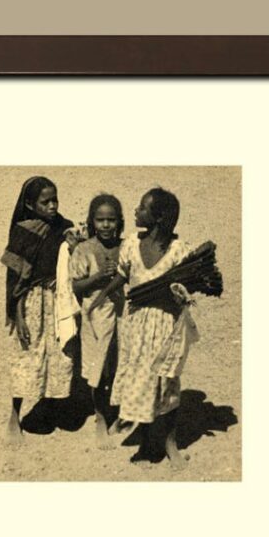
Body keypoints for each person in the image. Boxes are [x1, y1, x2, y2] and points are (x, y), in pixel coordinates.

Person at [89, 188, 192, 467]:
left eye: (142, 207)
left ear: (158, 217)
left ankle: (170, 444)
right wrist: (102, 296)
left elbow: (185, 291)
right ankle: (146, 444)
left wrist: (175, 296)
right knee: (140, 383)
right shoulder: (132, 244)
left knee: (166, 384)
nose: (135, 211)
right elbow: (123, 275)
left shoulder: (180, 251)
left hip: (166, 327)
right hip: (136, 326)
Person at [1, 176, 75, 443]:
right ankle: (14, 416)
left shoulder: (63, 227)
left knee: (58, 355)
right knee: (27, 356)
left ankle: (49, 407)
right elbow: (15, 280)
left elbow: (74, 256)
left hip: (58, 301)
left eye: (55, 200)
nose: (52, 206)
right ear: (30, 205)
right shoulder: (23, 232)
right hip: (32, 302)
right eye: (46, 202)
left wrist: (73, 243)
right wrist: (18, 315)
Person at [69, 194, 125, 448]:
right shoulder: (85, 249)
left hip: (123, 314)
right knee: (99, 367)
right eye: (100, 220)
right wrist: (99, 277)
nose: (105, 225)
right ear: (92, 221)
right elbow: (76, 286)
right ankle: (100, 416)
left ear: (119, 221)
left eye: (111, 220)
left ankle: (118, 413)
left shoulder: (127, 246)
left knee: (119, 363)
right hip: (95, 315)